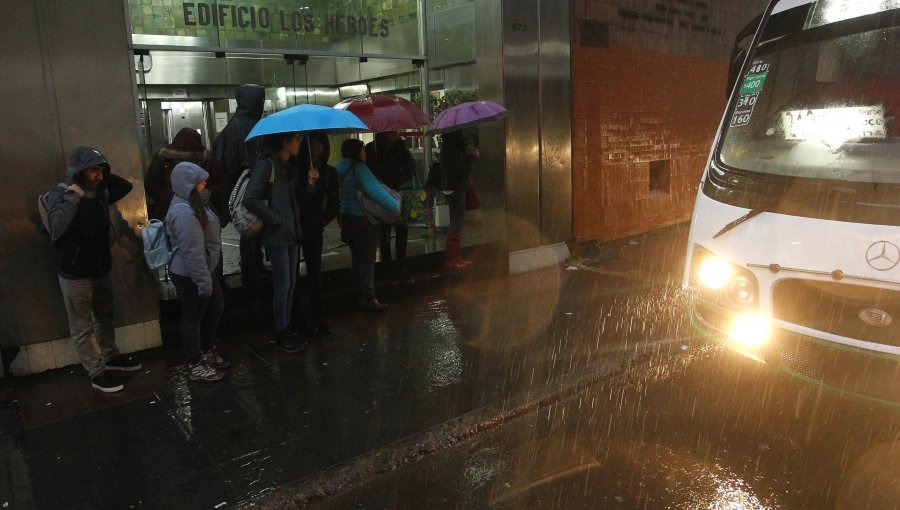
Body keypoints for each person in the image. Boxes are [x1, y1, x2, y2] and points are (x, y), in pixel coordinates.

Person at [46, 146, 141, 393]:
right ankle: (97, 372)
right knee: (82, 326)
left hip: (100, 267)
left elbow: (125, 186)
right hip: (75, 273)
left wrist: (101, 172)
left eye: (100, 170)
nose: (98, 175)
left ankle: (110, 356)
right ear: (78, 171)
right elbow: (56, 229)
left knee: (105, 316)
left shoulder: (100, 192)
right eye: (93, 170)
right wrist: (73, 197)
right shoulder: (62, 194)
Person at [243, 131, 307, 352]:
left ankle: (286, 328)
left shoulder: (289, 166)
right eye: (295, 139)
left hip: (292, 231)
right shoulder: (267, 165)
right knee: (283, 283)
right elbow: (249, 198)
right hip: (278, 232)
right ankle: (281, 332)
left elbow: (297, 198)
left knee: (290, 283)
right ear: (284, 142)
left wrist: (310, 182)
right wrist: (275, 218)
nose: (299, 143)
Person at [166, 162, 230, 382]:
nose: (205, 184)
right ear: (189, 186)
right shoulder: (183, 212)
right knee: (193, 317)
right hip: (191, 274)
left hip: (203, 269)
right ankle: (195, 363)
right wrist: (203, 283)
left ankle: (206, 351)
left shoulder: (197, 204)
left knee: (215, 308)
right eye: (201, 182)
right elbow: (192, 253)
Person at [212, 84, 269, 286]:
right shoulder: (249, 126)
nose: (262, 104)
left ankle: (253, 264)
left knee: (252, 226)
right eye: (260, 100)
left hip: (241, 185)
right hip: (247, 187)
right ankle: (250, 266)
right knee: (252, 226)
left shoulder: (235, 125)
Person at [335, 139, 401, 312]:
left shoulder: (339, 167)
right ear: (357, 152)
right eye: (363, 150)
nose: (365, 153)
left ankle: (358, 294)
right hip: (362, 220)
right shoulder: (360, 168)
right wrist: (395, 208)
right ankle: (369, 298)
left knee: (356, 259)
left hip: (346, 219)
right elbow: (375, 191)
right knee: (367, 260)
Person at [295, 132, 340, 335]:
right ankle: (298, 319)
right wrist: (309, 184)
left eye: (319, 145)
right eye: (311, 144)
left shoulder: (330, 173)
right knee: (293, 275)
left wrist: (322, 221)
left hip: (315, 228)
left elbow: (334, 204)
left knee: (315, 273)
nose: (315, 149)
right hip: (296, 227)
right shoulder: (297, 171)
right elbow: (297, 203)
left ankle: (318, 317)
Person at [146, 127, 226, 222]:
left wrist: (168, 197)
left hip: (173, 210)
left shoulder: (164, 159)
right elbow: (219, 184)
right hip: (199, 212)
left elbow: (152, 184)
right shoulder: (207, 160)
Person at [366, 131, 416, 280]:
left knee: (400, 230)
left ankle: (400, 265)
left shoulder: (401, 148)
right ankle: (389, 266)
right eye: (391, 131)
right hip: (382, 195)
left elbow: (410, 169)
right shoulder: (372, 149)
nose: (394, 133)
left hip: (397, 194)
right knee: (385, 232)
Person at [438, 130, 478, 271]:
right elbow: (460, 169)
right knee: (456, 223)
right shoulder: (453, 148)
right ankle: (452, 258)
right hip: (456, 187)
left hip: (453, 186)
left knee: (457, 223)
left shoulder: (448, 146)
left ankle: (456, 257)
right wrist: (471, 158)